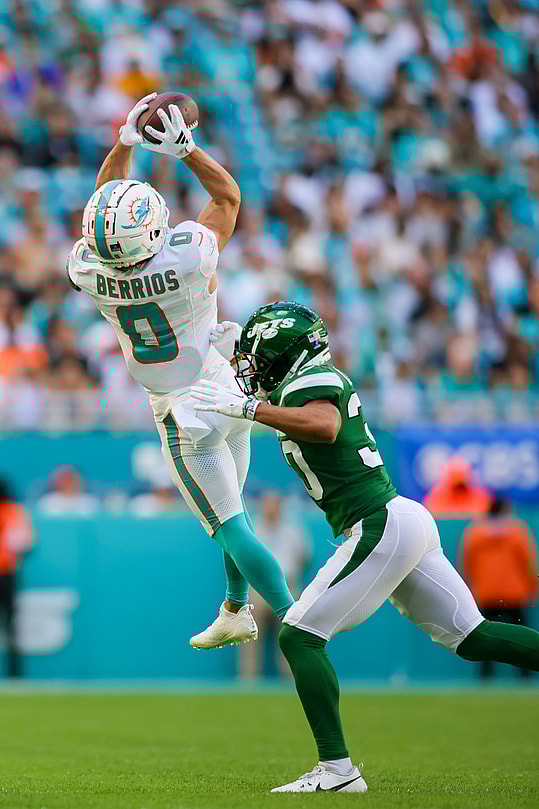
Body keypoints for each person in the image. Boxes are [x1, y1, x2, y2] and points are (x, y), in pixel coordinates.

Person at [191, 301, 539, 794]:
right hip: (400, 517)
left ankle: (337, 771)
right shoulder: (303, 377)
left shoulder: (309, 381)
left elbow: (325, 425)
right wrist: (228, 351)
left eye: (257, 356)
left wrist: (253, 409)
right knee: (474, 638)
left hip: (377, 522)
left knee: (297, 636)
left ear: (282, 352)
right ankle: (336, 770)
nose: (252, 369)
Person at [67, 93, 293, 649]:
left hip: (182, 414)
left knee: (231, 525)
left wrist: (123, 142)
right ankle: (237, 608)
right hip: (228, 385)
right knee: (233, 512)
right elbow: (228, 197)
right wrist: (186, 150)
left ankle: (298, 618)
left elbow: (102, 198)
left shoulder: (89, 272)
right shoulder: (190, 253)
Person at [460, 495, 537, 680]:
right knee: (520, 637)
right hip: (514, 592)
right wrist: (533, 586)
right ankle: (525, 677)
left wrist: (472, 586)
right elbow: (528, 562)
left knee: (484, 638)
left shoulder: (475, 532)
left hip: (486, 592)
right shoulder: (517, 531)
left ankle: (485, 678)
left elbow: (467, 563)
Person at [241, 490, 311, 680]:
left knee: (290, 635)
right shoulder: (253, 528)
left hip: (288, 586)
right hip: (259, 588)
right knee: (250, 634)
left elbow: (305, 557)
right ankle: (249, 680)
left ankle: (291, 680)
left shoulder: (293, 529)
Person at [0, 480, 33, 678]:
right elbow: (25, 545)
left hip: (6, 573)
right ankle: (15, 675)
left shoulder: (13, 513)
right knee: (11, 627)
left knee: (12, 627)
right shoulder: (14, 512)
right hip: (6, 574)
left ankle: (15, 674)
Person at [424, 456, 490, 518]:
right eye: (456, 485)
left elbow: (481, 516)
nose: (459, 490)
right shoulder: (437, 495)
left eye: (461, 485)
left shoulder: (479, 495)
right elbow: (434, 515)